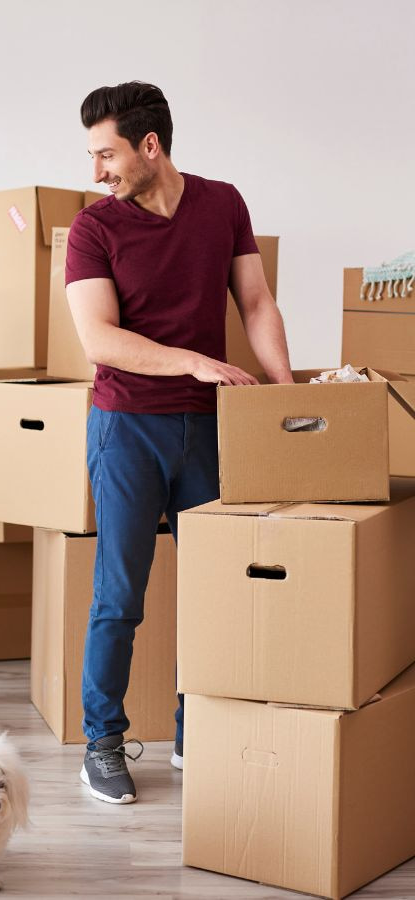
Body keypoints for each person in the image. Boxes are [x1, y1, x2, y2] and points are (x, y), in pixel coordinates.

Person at [66, 82, 293, 804]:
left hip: (210, 430)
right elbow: (98, 337)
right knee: (119, 596)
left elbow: (254, 301)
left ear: (151, 146)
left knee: (214, 592)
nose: (97, 169)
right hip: (127, 426)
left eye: (107, 153)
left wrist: (286, 391)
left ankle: (198, 733)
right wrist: (192, 359)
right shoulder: (92, 227)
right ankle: (102, 742)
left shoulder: (222, 203)